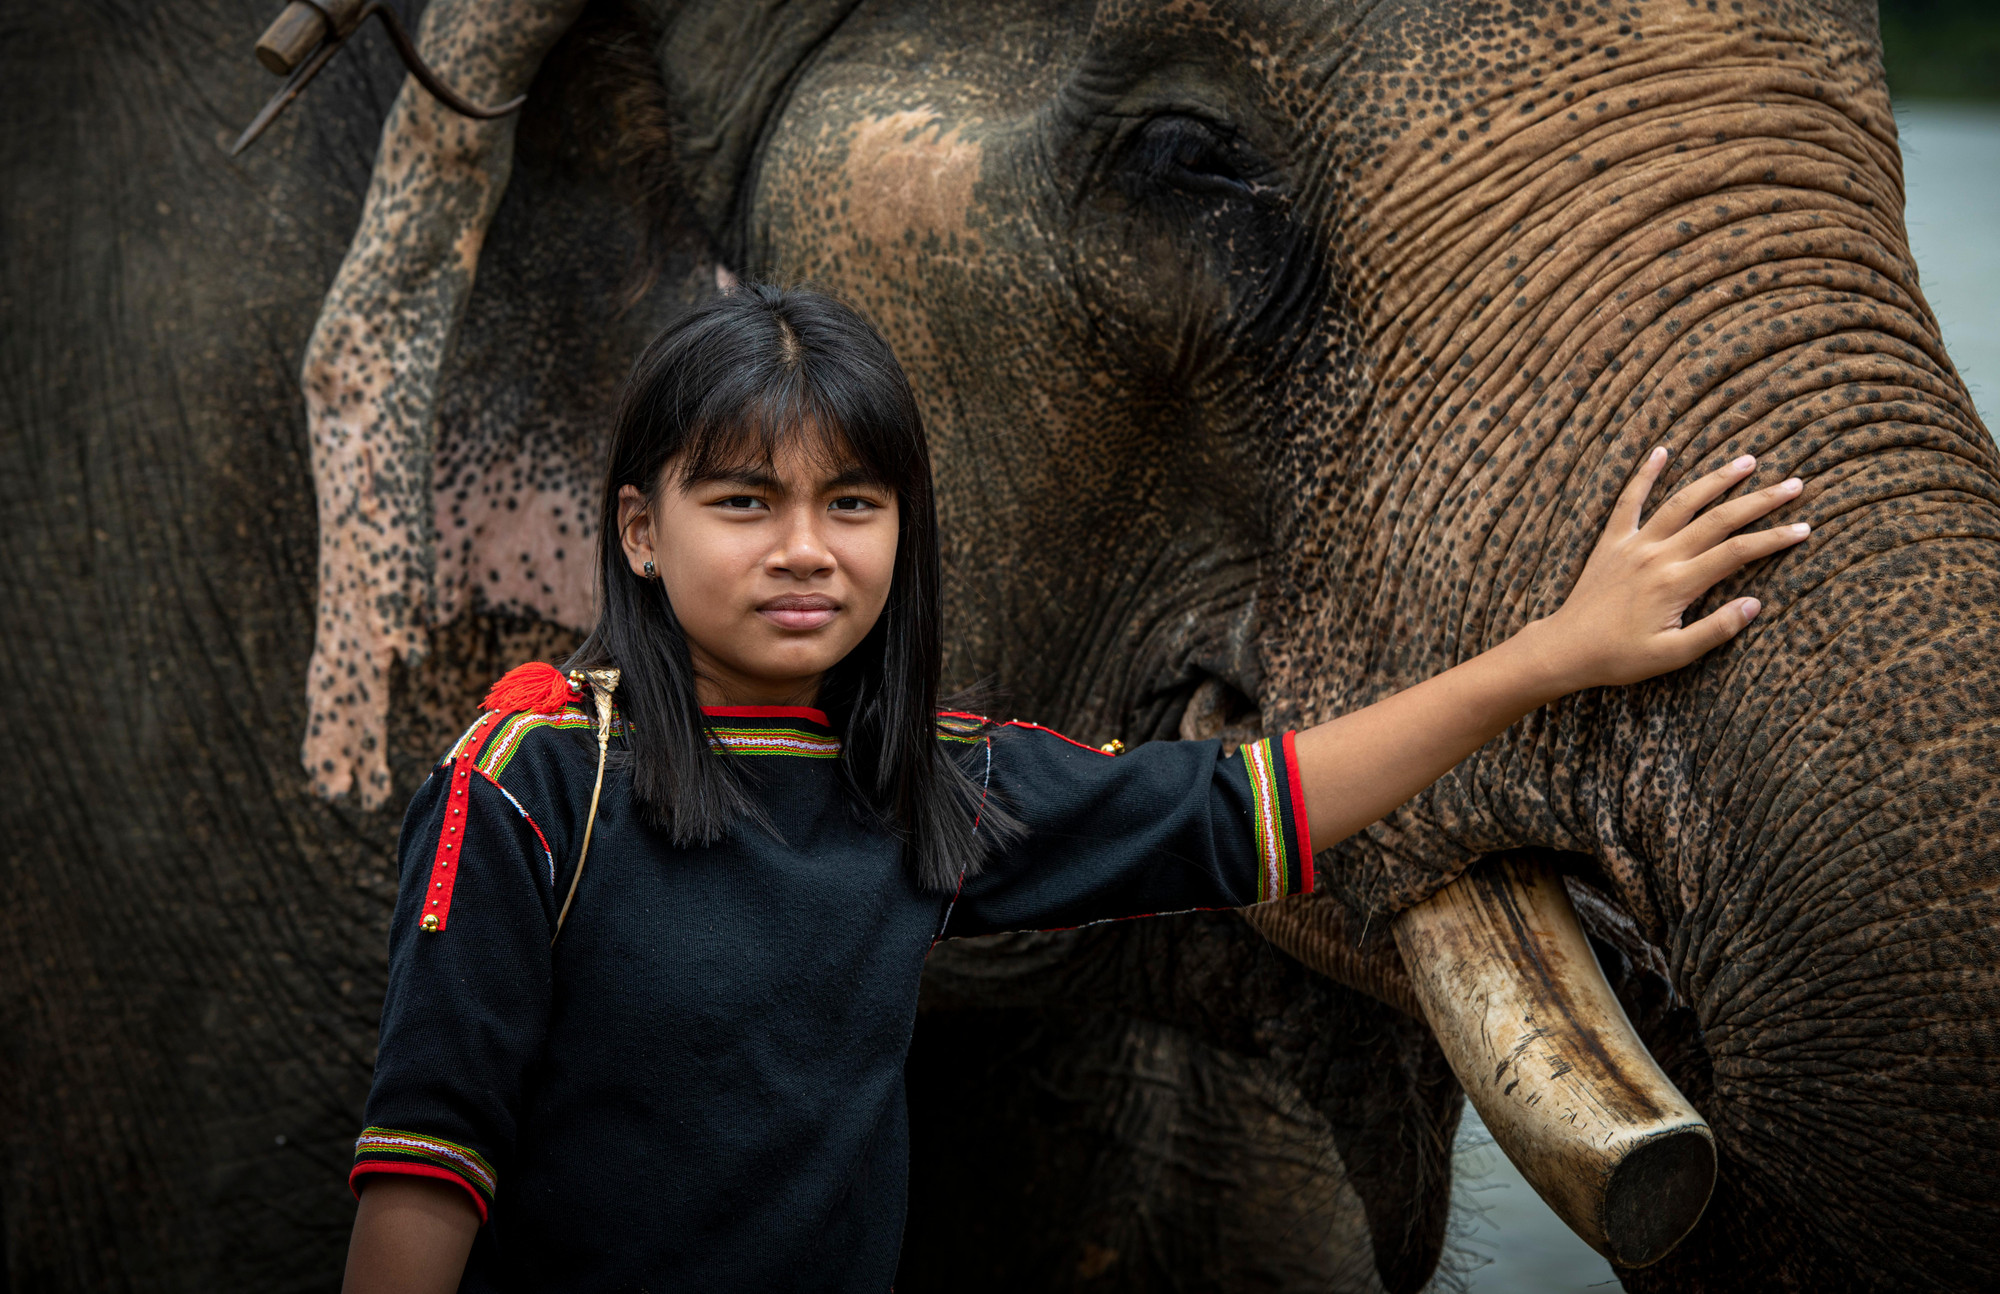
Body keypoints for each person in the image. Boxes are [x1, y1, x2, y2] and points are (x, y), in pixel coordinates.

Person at [338, 284, 1809, 1293]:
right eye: (743, 502)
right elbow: (427, 1167)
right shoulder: (531, 784)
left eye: (853, 504)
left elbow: (1248, 810)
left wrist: (1554, 654)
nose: (805, 550)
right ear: (639, 533)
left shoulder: (917, 786)